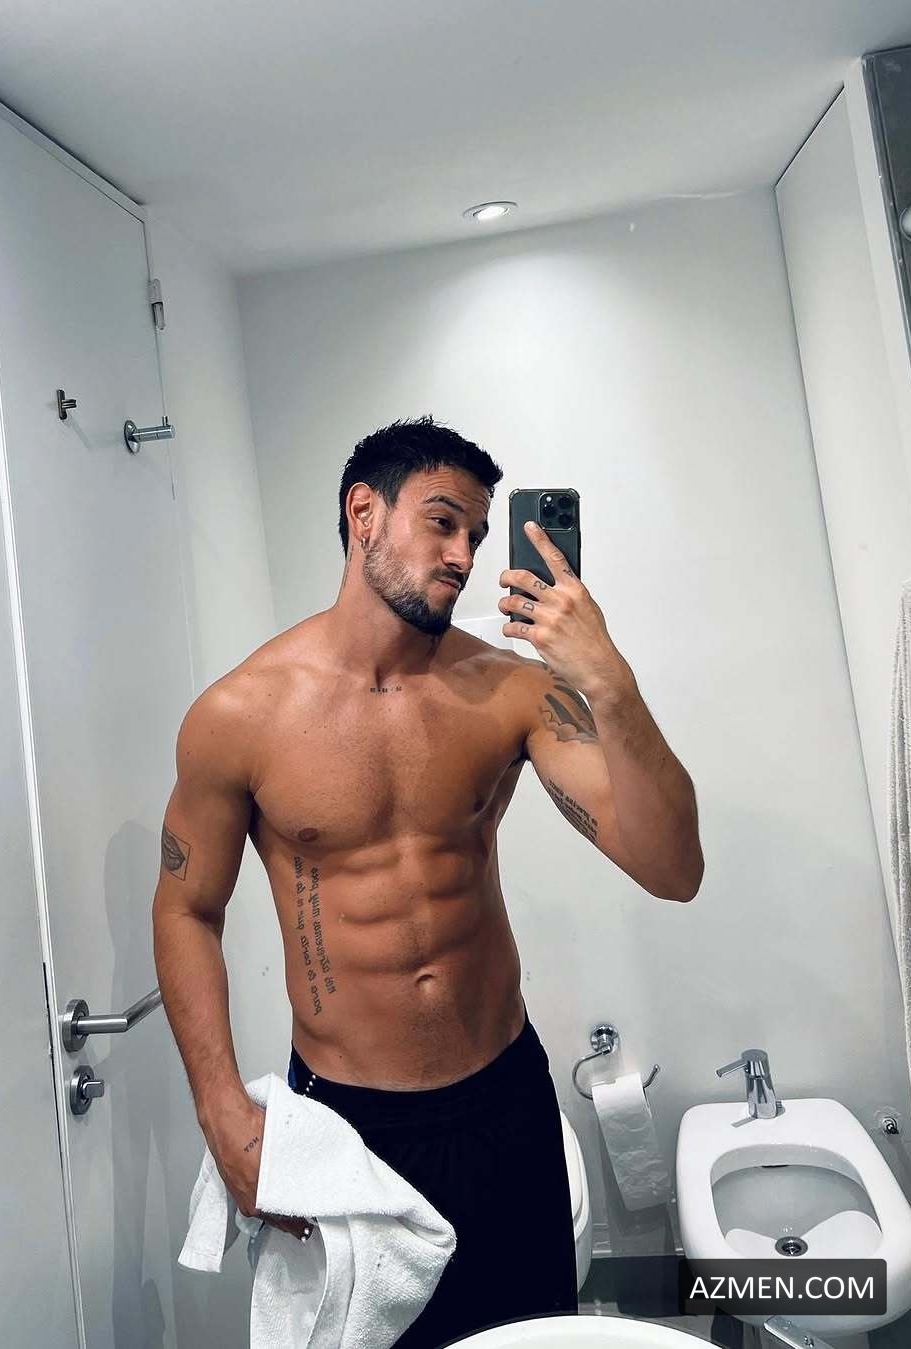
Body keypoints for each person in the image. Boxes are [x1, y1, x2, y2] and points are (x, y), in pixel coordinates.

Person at [153, 415, 703, 1347]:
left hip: (504, 1103)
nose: (464, 555)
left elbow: (674, 867)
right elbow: (185, 908)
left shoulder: (512, 690)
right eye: (443, 522)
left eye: (477, 535)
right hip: (351, 1124)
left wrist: (609, 680)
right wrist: (221, 1109)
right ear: (363, 513)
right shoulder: (239, 715)